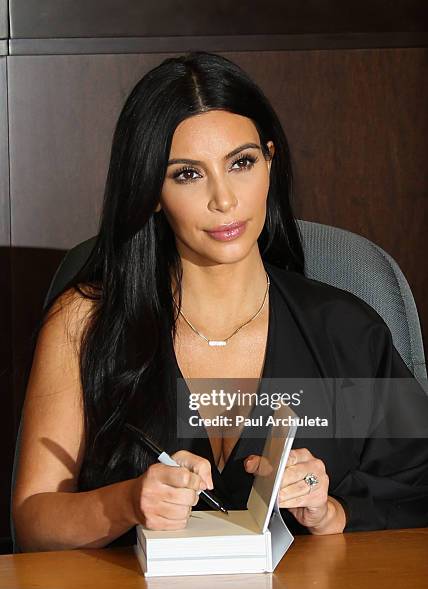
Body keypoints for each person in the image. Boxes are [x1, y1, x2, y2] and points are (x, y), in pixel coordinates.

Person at [12, 51, 428, 552]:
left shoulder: (347, 328)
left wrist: (332, 512)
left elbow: (417, 490)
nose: (224, 200)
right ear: (151, 191)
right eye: (187, 174)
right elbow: (33, 521)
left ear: (270, 162)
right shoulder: (85, 321)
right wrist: (126, 503)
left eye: (241, 163)